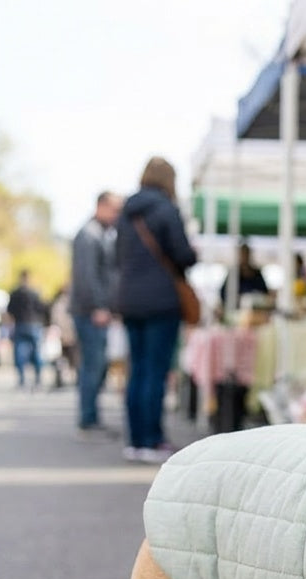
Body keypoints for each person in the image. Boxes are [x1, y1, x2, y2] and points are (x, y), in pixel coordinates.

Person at [116, 156, 197, 464]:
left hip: (129, 299)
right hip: (161, 300)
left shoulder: (126, 212)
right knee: (155, 371)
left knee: (137, 370)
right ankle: (151, 439)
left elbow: (117, 257)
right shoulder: (166, 209)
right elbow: (182, 254)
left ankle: (135, 440)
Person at [70, 191, 122, 433]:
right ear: (101, 206)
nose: (116, 216)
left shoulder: (97, 234)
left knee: (96, 365)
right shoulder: (89, 235)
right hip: (90, 311)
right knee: (93, 365)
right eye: (114, 210)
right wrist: (98, 307)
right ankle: (88, 419)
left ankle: (90, 416)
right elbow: (87, 276)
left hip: (93, 310)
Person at [5, 270, 46, 390]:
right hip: (34, 324)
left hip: (21, 324)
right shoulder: (35, 293)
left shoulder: (15, 293)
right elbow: (42, 308)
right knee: (36, 352)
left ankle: (22, 379)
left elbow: (9, 311)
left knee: (19, 353)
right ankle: (38, 378)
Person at [220, 241, 270, 310]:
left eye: (246, 254)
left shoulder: (257, 273)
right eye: (242, 254)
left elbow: (265, 293)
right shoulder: (233, 274)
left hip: (255, 311)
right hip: (236, 310)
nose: (244, 257)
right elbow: (223, 294)